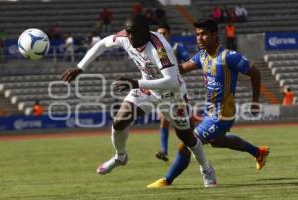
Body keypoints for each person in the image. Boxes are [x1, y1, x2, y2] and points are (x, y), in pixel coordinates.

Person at [61, 15, 216, 188]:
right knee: (119, 121)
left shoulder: (159, 48)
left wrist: (135, 83)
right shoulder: (126, 37)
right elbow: (102, 44)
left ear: (145, 32)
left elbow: (171, 82)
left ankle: (206, 169)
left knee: (187, 137)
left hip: (172, 94)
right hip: (147, 88)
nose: (130, 36)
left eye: (134, 33)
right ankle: (120, 156)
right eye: (128, 32)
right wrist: (80, 67)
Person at [147, 18, 269, 188]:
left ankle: (167, 180)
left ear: (214, 35)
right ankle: (258, 152)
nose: (199, 38)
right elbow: (182, 69)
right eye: (197, 35)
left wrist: (255, 102)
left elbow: (255, 73)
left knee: (188, 143)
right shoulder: (202, 56)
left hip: (222, 115)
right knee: (219, 141)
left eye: (203, 34)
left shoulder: (229, 57)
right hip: (210, 113)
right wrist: (160, 66)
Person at [155, 24, 191, 162]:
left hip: (176, 89)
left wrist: (175, 71)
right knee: (164, 121)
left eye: (164, 33)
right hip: (162, 90)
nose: (161, 36)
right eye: (159, 33)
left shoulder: (176, 47)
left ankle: (192, 143)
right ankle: (164, 150)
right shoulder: (154, 50)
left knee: (182, 121)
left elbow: (188, 62)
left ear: (169, 34)